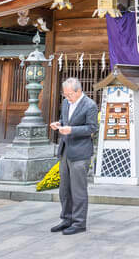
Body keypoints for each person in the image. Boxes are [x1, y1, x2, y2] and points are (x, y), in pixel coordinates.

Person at [49, 77, 97, 235]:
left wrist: (71, 130)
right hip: (65, 150)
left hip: (80, 152)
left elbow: (91, 128)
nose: (67, 97)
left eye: (70, 94)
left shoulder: (89, 105)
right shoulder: (65, 103)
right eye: (65, 95)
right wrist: (59, 124)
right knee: (65, 189)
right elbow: (65, 120)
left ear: (79, 91)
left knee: (78, 190)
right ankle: (66, 218)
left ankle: (79, 222)